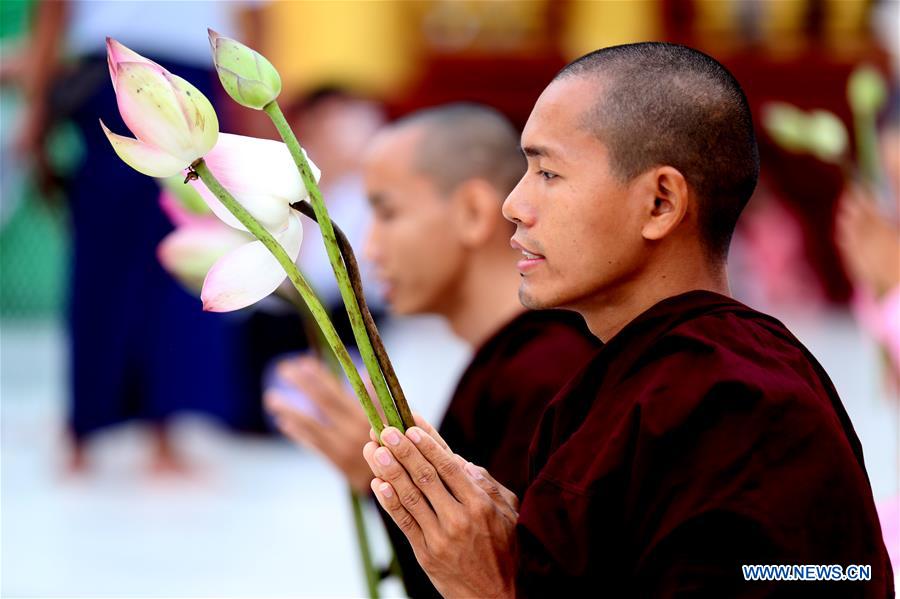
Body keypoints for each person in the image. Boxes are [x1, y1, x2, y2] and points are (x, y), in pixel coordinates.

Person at [363, 42, 894, 597]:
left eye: (548, 172)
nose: (514, 204)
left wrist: (492, 590)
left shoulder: (736, 401)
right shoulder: (622, 387)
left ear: (660, 202)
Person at [265, 103, 600, 597]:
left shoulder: (545, 373)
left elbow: (513, 580)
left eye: (387, 211)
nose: (368, 247)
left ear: (473, 212)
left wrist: (400, 483)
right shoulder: (519, 361)